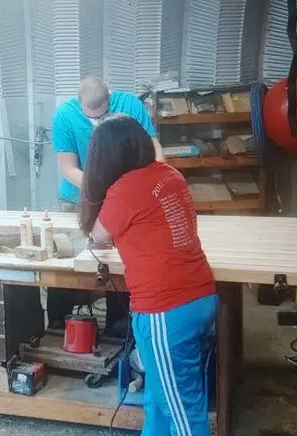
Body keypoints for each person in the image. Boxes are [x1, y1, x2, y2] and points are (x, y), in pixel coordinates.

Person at [79, 114, 217, 436]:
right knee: (157, 396)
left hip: (165, 309)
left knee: (182, 409)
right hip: (199, 296)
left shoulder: (125, 190)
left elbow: (98, 236)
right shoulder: (169, 175)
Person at [48, 77, 164, 332]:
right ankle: (58, 325)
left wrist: (154, 184)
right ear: (79, 103)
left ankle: (118, 327)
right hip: (78, 196)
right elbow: (68, 168)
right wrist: (104, 190)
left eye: (102, 116)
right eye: (91, 118)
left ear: (110, 98)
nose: (97, 122)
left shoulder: (130, 106)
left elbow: (155, 152)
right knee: (66, 260)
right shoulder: (65, 115)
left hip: (125, 197)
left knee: (119, 261)